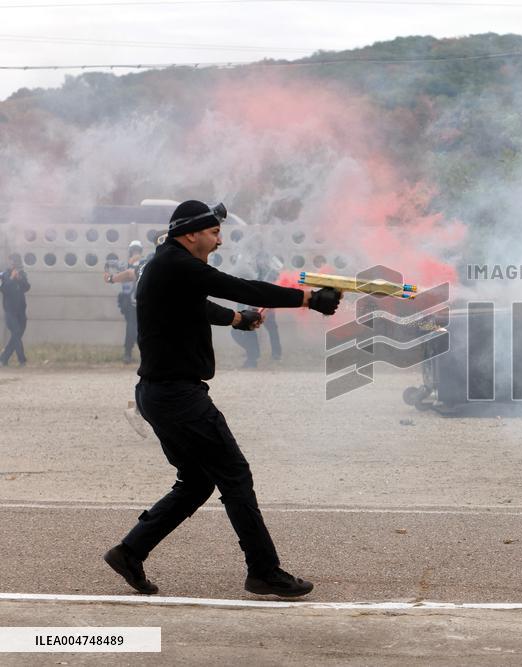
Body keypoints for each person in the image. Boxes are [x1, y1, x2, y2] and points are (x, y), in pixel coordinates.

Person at [102, 200, 342, 597]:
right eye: (214, 232)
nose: (219, 239)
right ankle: (264, 571)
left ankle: (130, 552)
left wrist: (237, 319)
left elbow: (200, 304)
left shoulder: (167, 265)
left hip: (160, 394)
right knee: (234, 475)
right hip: (178, 395)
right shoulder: (177, 265)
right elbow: (237, 287)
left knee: (197, 482)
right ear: (191, 233)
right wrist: (307, 300)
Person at [105, 240, 144, 363]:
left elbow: (109, 263)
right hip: (139, 301)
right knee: (138, 328)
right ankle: (140, 354)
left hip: (131, 301)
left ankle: (128, 354)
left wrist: (108, 275)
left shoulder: (125, 265)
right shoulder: (144, 263)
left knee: (132, 327)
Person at [1, 253, 30, 367]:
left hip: (21, 311)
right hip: (10, 311)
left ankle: (3, 358)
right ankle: (22, 360)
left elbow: (27, 287)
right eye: (12, 261)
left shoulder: (22, 274)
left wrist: (19, 279)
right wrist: (12, 278)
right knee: (16, 332)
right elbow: (4, 289)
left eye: (16, 261)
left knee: (16, 335)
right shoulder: (4, 275)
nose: (13, 263)